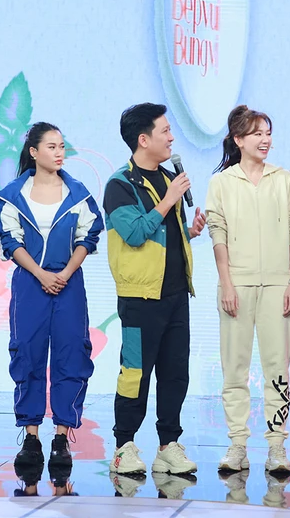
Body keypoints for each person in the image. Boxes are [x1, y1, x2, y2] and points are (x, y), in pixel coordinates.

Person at [0, 122, 104, 470]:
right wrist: (41, 274)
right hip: (30, 283)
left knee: (71, 354)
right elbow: (10, 240)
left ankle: (61, 436)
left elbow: (89, 236)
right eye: (52, 147)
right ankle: (30, 436)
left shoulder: (78, 194)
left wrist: (65, 274)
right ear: (34, 152)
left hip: (69, 284)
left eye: (61, 147)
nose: (59, 153)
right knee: (27, 353)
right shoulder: (12, 195)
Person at [104, 103, 206, 476]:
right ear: (143, 139)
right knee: (135, 373)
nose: (172, 138)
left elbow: (161, 235)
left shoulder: (167, 178)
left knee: (175, 372)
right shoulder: (120, 184)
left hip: (176, 294)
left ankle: (168, 446)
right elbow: (134, 233)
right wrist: (168, 201)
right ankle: (124, 446)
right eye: (165, 131)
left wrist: (189, 231)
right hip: (140, 298)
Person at [205, 105, 290, 475]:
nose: (265, 140)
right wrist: (227, 283)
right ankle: (237, 444)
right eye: (257, 133)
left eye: (267, 133)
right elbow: (218, 235)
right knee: (235, 368)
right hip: (237, 285)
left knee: (278, 368)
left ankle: (277, 445)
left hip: (279, 285)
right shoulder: (222, 183)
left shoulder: (284, 179)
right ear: (238, 140)